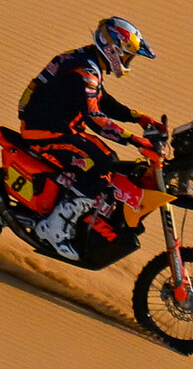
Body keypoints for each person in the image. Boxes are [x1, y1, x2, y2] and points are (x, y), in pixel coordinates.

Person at [12, 15, 156, 254]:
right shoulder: (86, 71)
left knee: (110, 161)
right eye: (127, 55)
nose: (128, 61)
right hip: (46, 130)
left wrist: (137, 116)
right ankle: (54, 227)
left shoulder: (88, 60)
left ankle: (66, 208)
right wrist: (134, 139)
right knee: (101, 165)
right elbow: (95, 118)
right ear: (113, 50)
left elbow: (101, 100)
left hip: (56, 126)